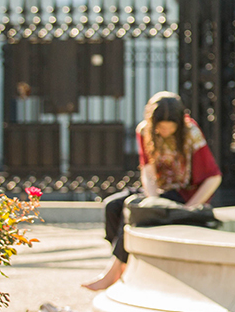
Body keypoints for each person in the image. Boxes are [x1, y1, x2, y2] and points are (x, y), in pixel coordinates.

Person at [83, 92, 220, 292]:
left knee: (132, 209)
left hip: (183, 195)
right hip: (159, 191)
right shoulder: (145, 131)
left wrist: (191, 207)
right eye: (161, 127)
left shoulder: (191, 133)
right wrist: (153, 200)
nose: (164, 131)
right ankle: (124, 263)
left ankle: (113, 273)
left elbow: (214, 177)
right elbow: (147, 171)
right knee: (113, 206)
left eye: (169, 128)